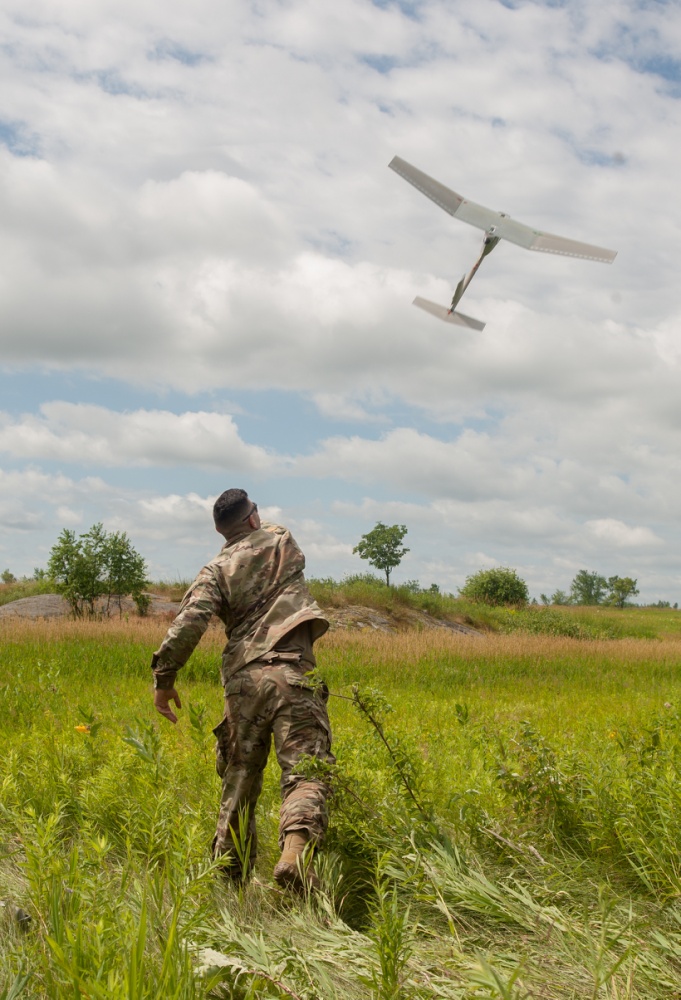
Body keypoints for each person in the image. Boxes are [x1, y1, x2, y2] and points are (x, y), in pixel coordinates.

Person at [151, 488, 334, 890]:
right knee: (306, 770)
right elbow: (261, 527)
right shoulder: (280, 538)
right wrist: (251, 515)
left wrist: (164, 680)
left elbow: (189, 623)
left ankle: (230, 877)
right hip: (293, 673)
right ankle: (295, 850)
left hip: (243, 682)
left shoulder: (213, 570)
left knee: (240, 777)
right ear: (252, 518)